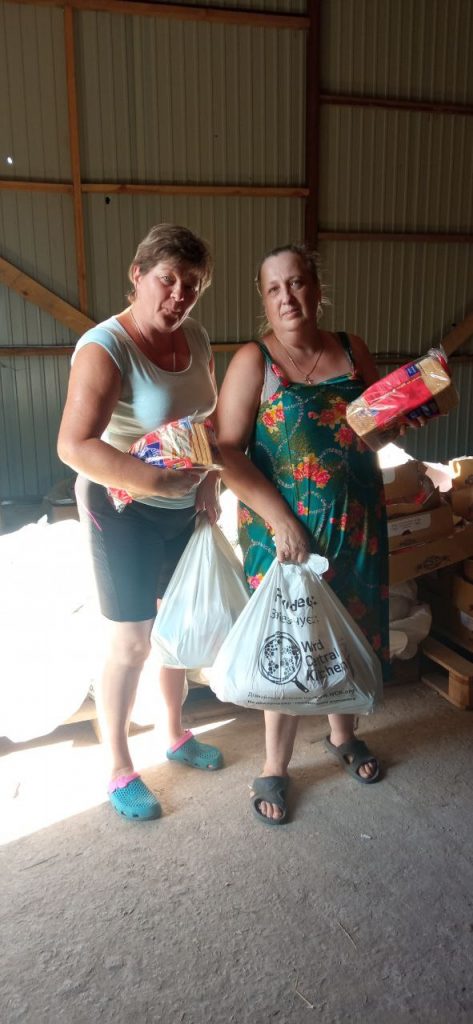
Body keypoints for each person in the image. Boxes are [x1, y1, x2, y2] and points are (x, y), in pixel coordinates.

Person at [215, 243, 390, 826]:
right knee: (287, 641)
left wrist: (401, 415)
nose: (286, 296)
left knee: (347, 631)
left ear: (316, 287)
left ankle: (344, 735)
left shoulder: (353, 348)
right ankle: (274, 766)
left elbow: (374, 430)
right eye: (274, 288)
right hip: (284, 535)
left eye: (296, 283)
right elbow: (226, 452)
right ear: (263, 300)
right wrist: (281, 520)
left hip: (356, 525)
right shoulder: (255, 360)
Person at [57, 224, 223, 822]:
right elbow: (74, 445)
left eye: (192, 285)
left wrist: (209, 481)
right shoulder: (106, 348)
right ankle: (119, 768)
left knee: (175, 629)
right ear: (138, 275)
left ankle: (174, 734)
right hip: (121, 510)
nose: (179, 296)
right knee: (132, 641)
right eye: (168, 280)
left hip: (183, 506)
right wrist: (153, 482)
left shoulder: (195, 337)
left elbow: (205, 420)